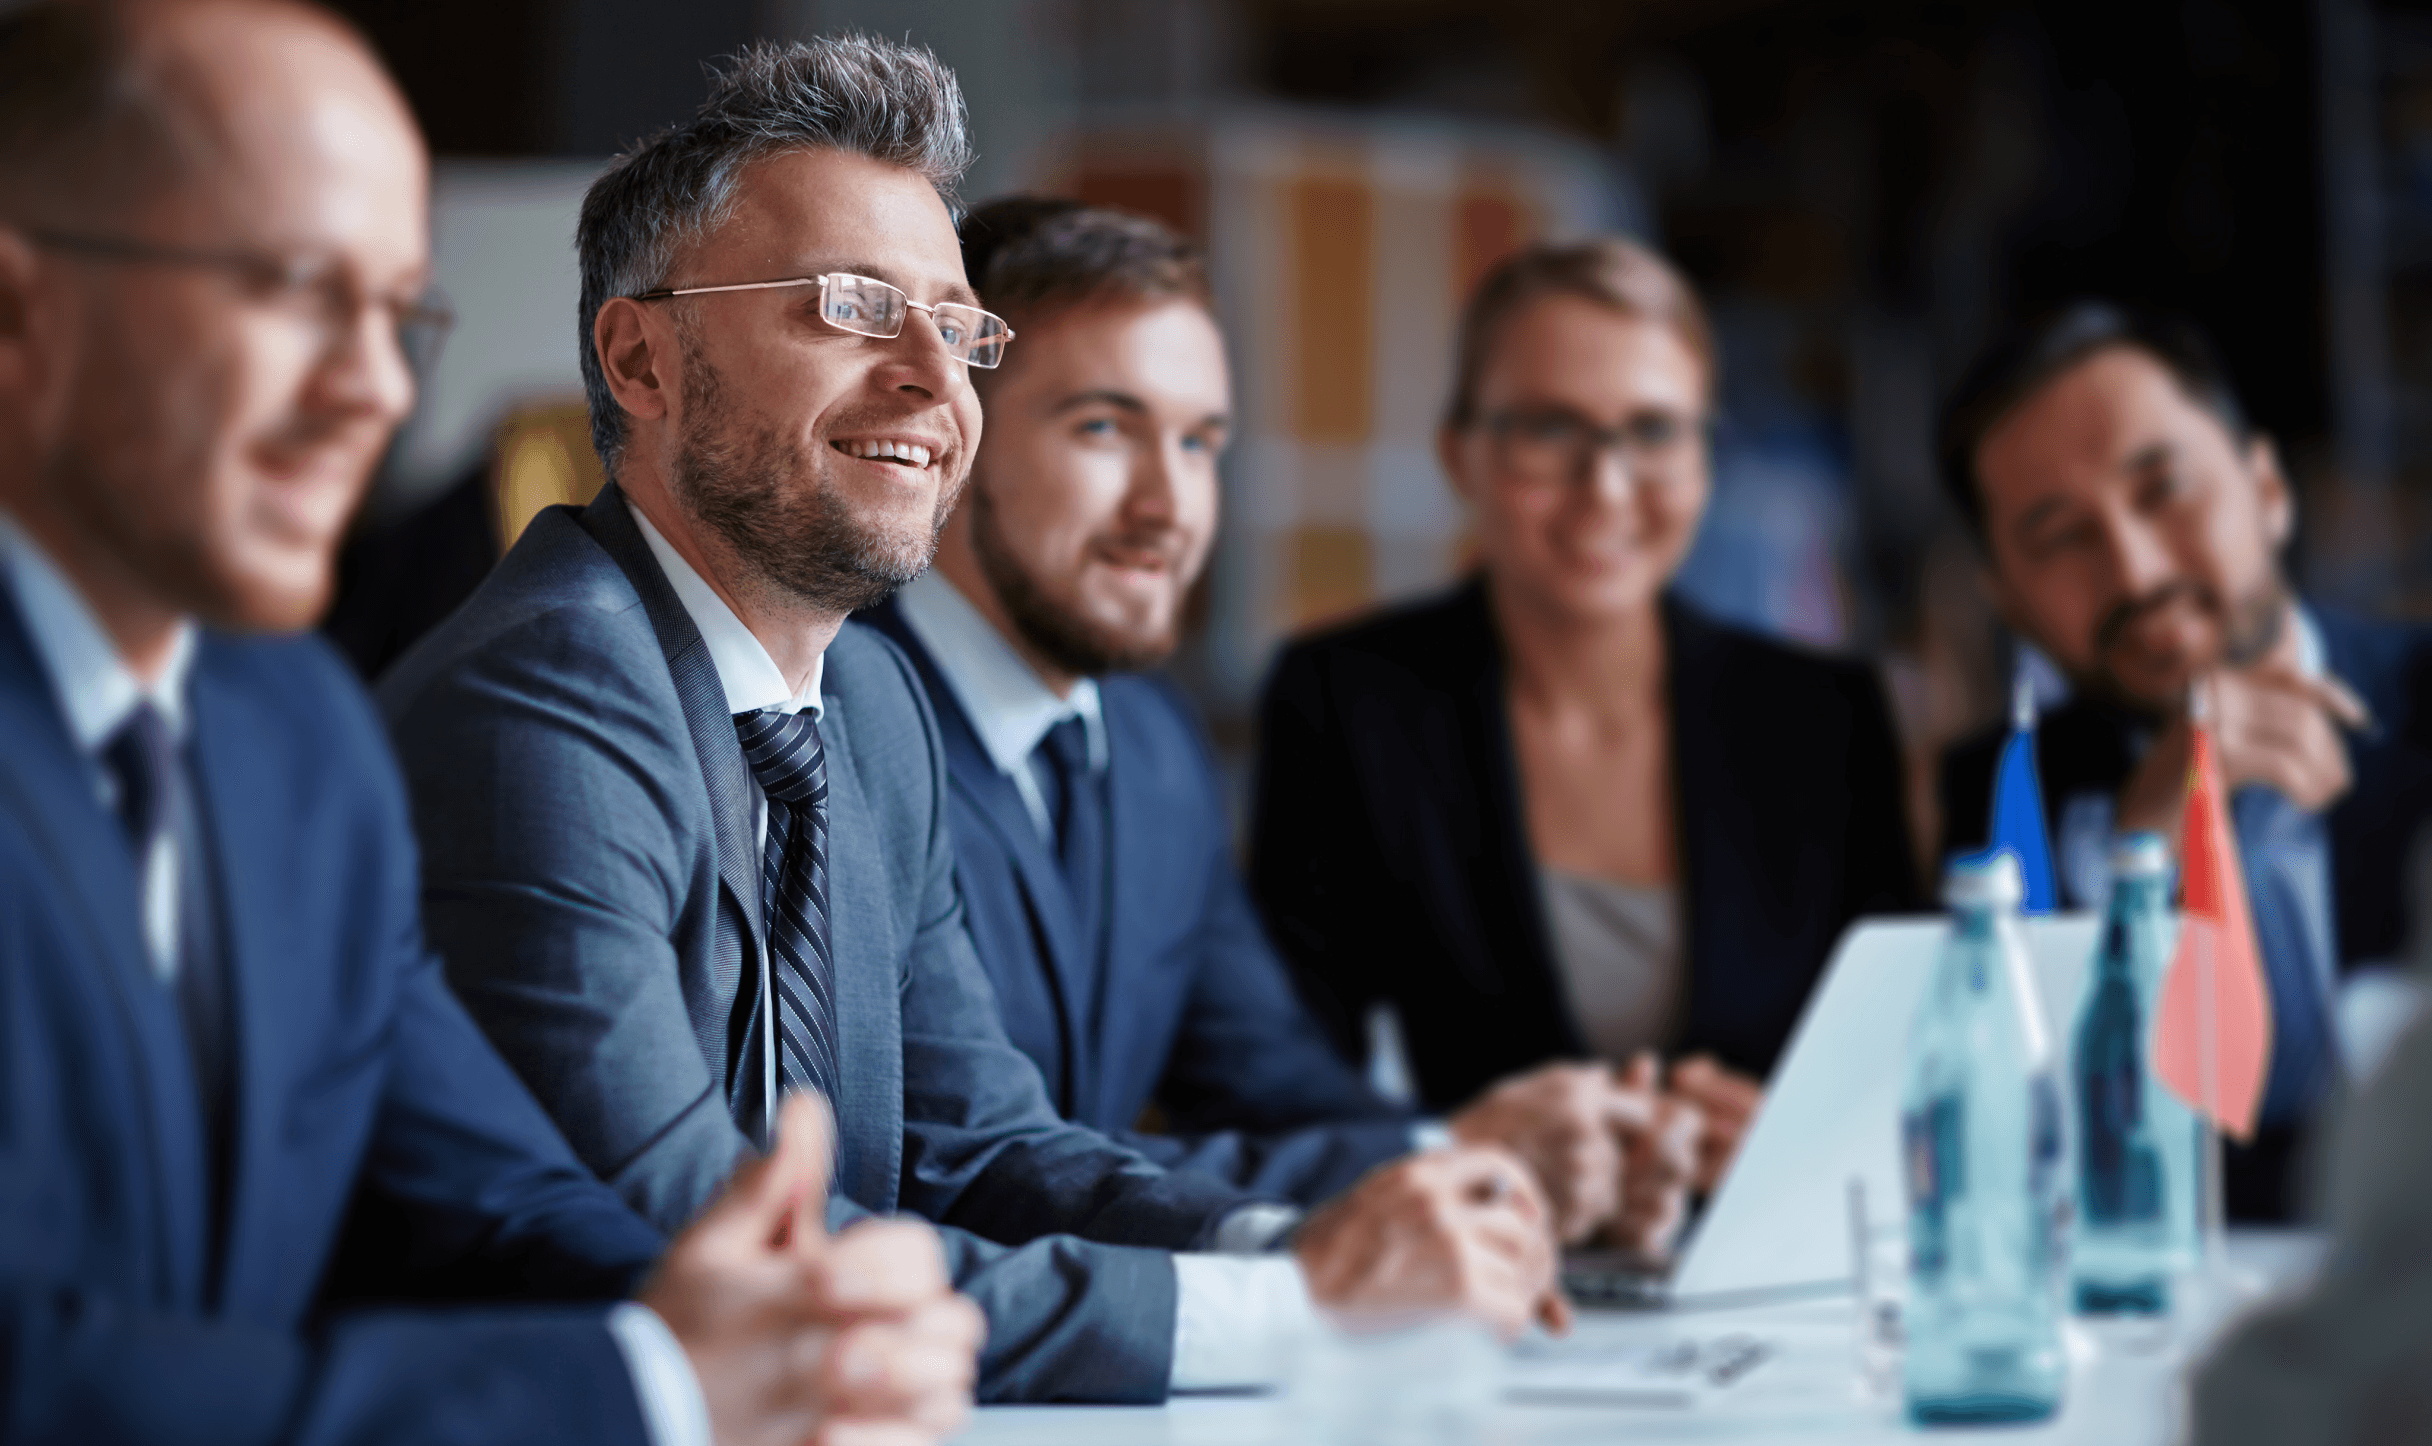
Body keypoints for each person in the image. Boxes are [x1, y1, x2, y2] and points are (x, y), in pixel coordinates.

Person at [378, 35, 1564, 1406]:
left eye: (955, 326)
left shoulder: (869, 703)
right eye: (848, 307)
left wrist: (1303, 1249)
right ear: (640, 359)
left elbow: (983, 1146)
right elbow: (714, 1252)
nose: (934, 385)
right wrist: (1294, 1315)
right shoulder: (547, 697)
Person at [0, 4, 983, 1445]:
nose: (377, 392)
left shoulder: (292, 736)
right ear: (23, 315)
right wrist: (651, 1385)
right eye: (288, 291)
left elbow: (490, 1192)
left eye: (395, 314)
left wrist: (773, 1322)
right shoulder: (522, 683)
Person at [859, 197, 1697, 1250]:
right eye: (1103, 428)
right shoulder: (837, 718)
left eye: (1200, 442)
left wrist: (1491, 1161)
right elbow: (964, 1163)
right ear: (950, 429)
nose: (1169, 505)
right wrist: (1432, 1169)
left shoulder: (1155, 745)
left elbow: (1270, 1082)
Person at [1250, 238, 1919, 1195]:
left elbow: (1905, 1061)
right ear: (1461, 455)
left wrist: (1796, 1140)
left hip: (1770, 1268)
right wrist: (1460, 1146)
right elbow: (1279, 1070)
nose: (1605, 486)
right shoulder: (1347, 702)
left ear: (1705, 457)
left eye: (1653, 432)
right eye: (1549, 431)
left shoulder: (1826, 720)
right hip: (1485, 1264)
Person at [1934, 302, 2432, 1221]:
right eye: (2058, 537)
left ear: (2269, 492)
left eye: (2164, 490)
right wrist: (2145, 851)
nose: (2132, 570)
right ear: (2004, 596)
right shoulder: (1991, 804)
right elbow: (2005, 1158)